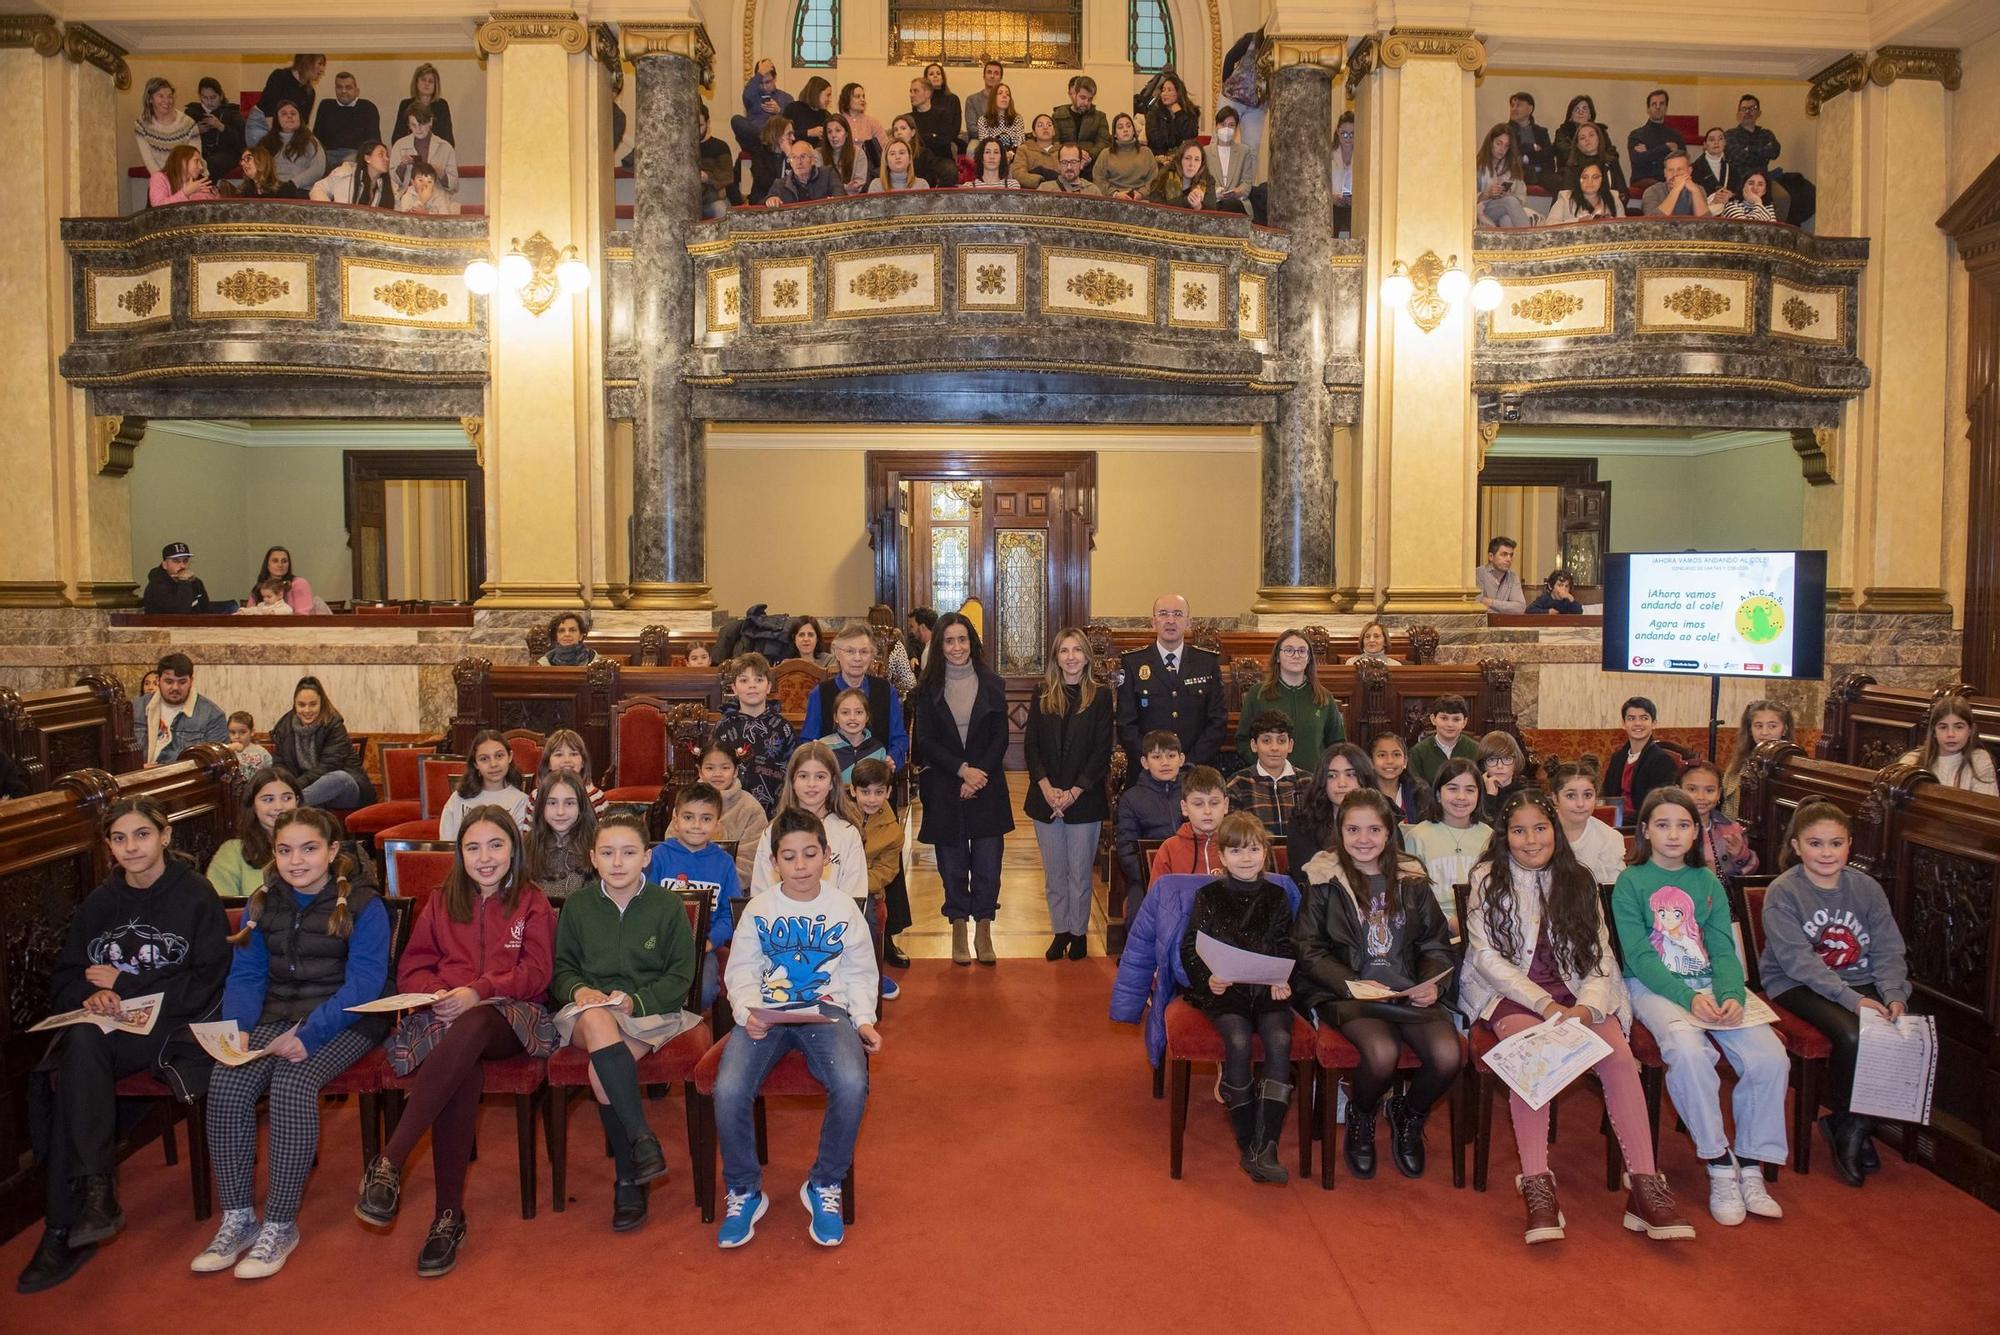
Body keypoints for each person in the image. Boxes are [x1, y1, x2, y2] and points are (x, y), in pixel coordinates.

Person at [15, 797, 231, 1293]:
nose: (131, 847)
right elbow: (67, 978)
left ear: (165, 836)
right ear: (108, 845)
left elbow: (209, 983)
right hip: (109, 1029)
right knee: (82, 1042)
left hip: (174, 1028)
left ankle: (65, 1225)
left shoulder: (196, 895)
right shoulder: (99, 902)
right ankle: (94, 1194)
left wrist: (126, 984)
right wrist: (94, 995)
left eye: (142, 834)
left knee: (75, 1070)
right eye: (119, 838)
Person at [1464, 790, 1695, 1244]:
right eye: (1519, 831)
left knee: (1619, 1057)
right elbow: (1488, 958)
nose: (1532, 840)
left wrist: (1587, 1006)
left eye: (1540, 828)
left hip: (1575, 993)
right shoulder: (1488, 878)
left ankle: (1644, 1185)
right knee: (1535, 1056)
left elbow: (1599, 953)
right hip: (1513, 996)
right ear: (1504, 836)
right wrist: (1545, 1006)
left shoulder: (1579, 878)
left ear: (1555, 830)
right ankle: (1537, 1184)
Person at [356, 809, 556, 1276]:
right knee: (462, 1064)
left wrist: (477, 991)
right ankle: (448, 1218)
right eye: (473, 847)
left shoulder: (532, 901)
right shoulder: (442, 901)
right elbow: (412, 967)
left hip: (510, 1016)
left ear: (514, 849)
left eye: (496, 845)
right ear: (459, 853)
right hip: (446, 1016)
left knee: (475, 1022)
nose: (485, 857)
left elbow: (536, 973)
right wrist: (439, 993)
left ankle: (390, 1160)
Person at [196, 807, 392, 1278]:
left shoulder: (364, 904)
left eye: (308, 849)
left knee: (291, 1084)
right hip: (277, 1015)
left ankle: (280, 1224)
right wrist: (238, 1028)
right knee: (226, 1083)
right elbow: (246, 974)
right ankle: (238, 1217)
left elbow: (364, 985)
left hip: (347, 1020)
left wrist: (310, 1034)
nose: (296, 861)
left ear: (332, 850)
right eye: (285, 850)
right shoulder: (264, 901)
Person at [1613, 787, 1789, 1223]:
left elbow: (1723, 947)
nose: (1673, 834)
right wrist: (1689, 998)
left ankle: (1750, 1161)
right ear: (1645, 831)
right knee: (1689, 1052)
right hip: (1655, 987)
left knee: (1770, 1057)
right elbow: (1640, 957)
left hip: (1711, 984)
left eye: (1683, 825)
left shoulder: (1707, 880)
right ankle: (1718, 1162)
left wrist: (1731, 995)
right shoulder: (1630, 882)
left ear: (1696, 832)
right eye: (1663, 825)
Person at [715, 809, 880, 1249]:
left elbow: (861, 972)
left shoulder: (843, 908)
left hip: (827, 1011)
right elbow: (741, 971)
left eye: (810, 854)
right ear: (774, 862)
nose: (801, 865)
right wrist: (745, 1013)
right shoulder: (760, 908)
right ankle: (744, 1189)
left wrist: (864, 1020)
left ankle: (825, 1182)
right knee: (728, 1088)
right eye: (789, 857)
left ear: (826, 855)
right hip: (765, 1012)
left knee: (852, 1083)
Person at [1297, 789, 1461, 1179]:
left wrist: (1432, 985)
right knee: (1382, 1052)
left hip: (1406, 992)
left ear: (1389, 832)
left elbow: (1436, 943)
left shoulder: (1411, 878)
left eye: (1373, 829)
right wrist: (1350, 983)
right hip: (1348, 993)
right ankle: (1362, 1115)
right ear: (1340, 832)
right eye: (1353, 829)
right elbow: (1308, 948)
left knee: (1448, 1056)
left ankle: (1409, 1115)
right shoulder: (1323, 878)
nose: (1363, 839)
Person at [552, 813, 699, 1231]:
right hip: (588, 1013)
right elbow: (561, 971)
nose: (618, 862)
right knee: (598, 1020)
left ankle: (629, 1175)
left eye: (629, 852)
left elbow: (680, 975)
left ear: (646, 857)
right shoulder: (578, 905)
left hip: (649, 1012)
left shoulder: (667, 905)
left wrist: (636, 1002)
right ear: (593, 858)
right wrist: (580, 990)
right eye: (608, 853)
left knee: (602, 1074)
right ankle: (641, 1142)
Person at [1759, 801, 1912, 1187]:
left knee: (1905, 1028)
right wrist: (1853, 1000)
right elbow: (1799, 963)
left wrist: (1894, 994)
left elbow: (1888, 949)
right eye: (1815, 844)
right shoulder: (1784, 891)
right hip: (1795, 983)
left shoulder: (1866, 888)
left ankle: (1848, 1123)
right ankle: (1854, 1127)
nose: (1826, 853)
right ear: (1797, 846)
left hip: (1859, 978)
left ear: (1849, 845)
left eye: (1836, 843)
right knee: (1854, 1034)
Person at [1178, 811, 1298, 1182]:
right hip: (1226, 989)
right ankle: (1249, 1142)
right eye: (1236, 851)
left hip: (1267, 987)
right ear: (1223, 856)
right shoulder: (1209, 895)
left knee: (1279, 1039)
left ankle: (1267, 1145)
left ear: (1266, 853)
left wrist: (1284, 978)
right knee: (1238, 1039)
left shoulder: (1277, 895)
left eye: (1254, 849)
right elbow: (1191, 947)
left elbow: (1286, 944)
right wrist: (1208, 979)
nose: (1246, 858)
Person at [914, 613, 1015, 966]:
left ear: (972, 642)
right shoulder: (927, 689)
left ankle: (984, 929)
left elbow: (1001, 737)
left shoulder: (993, 683)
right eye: (949, 641)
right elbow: (925, 741)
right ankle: (958, 926)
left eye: (962, 639)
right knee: (953, 865)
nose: (957, 647)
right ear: (939, 646)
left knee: (988, 864)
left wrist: (978, 775)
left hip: (987, 786)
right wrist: (961, 771)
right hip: (946, 786)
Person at [1025, 628, 1111, 962]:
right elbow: (1031, 745)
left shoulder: (1100, 696)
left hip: (1083, 798)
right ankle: (1060, 931)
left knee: (1080, 874)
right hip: (1046, 797)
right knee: (1054, 875)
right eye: (1064, 651)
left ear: (1087, 657)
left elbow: (1101, 749)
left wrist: (1074, 792)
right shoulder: (1042, 692)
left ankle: (1078, 934)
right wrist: (1047, 788)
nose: (1071, 657)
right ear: (1056, 658)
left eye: (1077, 650)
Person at [1116, 594, 1226, 766]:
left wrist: (1188, 762)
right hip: (1147, 769)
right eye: (1163, 614)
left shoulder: (1206, 662)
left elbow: (1217, 721)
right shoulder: (1133, 662)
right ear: (1153, 622)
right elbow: (1126, 723)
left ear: (1188, 622)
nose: (1170, 620)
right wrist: (1154, 761)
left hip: (1195, 768)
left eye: (1178, 614)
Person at [748, 742, 866, 898]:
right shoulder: (772, 832)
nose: (811, 784)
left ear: (832, 782)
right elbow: (761, 894)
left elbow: (855, 896)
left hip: (834, 913)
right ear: (792, 781)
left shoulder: (848, 833)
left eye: (820, 777)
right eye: (803, 776)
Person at [802, 628, 907, 772]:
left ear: (872, 655)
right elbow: (808, 741)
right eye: (850, 651)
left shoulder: (886, 690)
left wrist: (892, 758)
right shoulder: (820, 693)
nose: (857, 658)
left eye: (864, 652)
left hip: (877, 776)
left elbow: (899, 737)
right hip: (832, 777)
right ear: (837, 653)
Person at [1400, 758, 1489, 923]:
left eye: (1470, 790)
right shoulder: (1417, 837)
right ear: (1438, 794)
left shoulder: (1490, 837)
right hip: (1431, 927)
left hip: (1482, 925)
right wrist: (1447, 924)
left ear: (1479, 795)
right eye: (1452, 789)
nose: (1461, 797)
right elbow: (1410, 898)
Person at [268, 676, 374, 809]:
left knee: (339, 778)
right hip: (309, 791)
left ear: (321, 703)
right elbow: (280, 764)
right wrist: (285, 784)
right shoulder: (284, 728)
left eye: (313, 704)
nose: (307, 710)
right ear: (295, 705)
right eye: (301, 705)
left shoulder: (334, 726)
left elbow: (328, 767)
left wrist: (294, 787)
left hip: (344, 791)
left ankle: (286, 805)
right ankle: (293, 803)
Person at [1116, 730, 1186, 923]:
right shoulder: (1131, 799)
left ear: (1181, 759)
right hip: (1146, 877)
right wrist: (1153, 876)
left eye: (1171, 756)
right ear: (1145, 762)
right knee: (1139, 916)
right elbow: (1126, 849)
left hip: (1189, 873)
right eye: (1156, 757)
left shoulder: (1193, 792)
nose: (1165, 763)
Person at [713, 653, 796, 814]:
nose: (752, 686)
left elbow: (793, 771)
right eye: (744, 680)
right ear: (734, 688)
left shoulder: (783, 727)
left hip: (776, 811)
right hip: (731, 810)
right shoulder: (723, 727)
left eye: (759, 680)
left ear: (769, 686)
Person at [852, 758, 911, 979]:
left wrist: (856, 883)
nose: (872, 799)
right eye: (865, 792)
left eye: (878, 792)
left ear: (888, 792)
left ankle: (870, 975)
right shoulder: (838, 814)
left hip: (866, 890)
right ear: (853, 791)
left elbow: (886, 870)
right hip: (830, 883)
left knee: (869, 916)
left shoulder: (893, 832)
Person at [206, 767, 303, 897]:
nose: (278, 807)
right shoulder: (232, 852)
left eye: (286, 798)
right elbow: (222, 904)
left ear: (297, 801)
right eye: (268, 799)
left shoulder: (316, 845)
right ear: (253, 805)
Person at [137, 652, 228, 767]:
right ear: (158, 680)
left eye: (182, 682)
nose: (175, 687)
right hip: (137, 776)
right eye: (169, 682)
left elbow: (218, 767)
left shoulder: (213, 716)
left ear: (191, 681)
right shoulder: (135, 708)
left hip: (185, 778)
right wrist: (136, 768)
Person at [438, 729, 531, 839]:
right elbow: (447, 842)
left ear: (509, 757)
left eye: (499, 756)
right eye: (484, 759)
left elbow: (520, 844)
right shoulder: (458, 799)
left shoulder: (522, 801)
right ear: (475, 763)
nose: (493, 764)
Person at [699, 742, 768, 888]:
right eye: (710, 768)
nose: (717, 774)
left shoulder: (750, 808)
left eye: (725, 768)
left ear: (736, 771)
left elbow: (751, 862)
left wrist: (718, 885)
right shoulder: (686, 804)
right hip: (687, 884)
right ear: (700, 772)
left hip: (733, 889)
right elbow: (673, 847)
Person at [1899, 695, 1999, 794]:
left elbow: (1984, 802)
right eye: (1943, 727)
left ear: (1970, 730)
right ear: (1934, 732)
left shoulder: (1979, 760)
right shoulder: (1911, 760)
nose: (1950, 734)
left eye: (1959, 727)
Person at [1547, 761, 1626, 886]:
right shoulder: (1539, 833)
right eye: (1571, 796)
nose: (1580, 804)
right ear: (1555, 798)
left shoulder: (1609, 838)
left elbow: (1614, 888)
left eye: (1587, 795)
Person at [1227, 711, 1302, 839]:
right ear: (1254, 745)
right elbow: (1231, 834)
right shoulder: (1238, 784)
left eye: (1281, 741)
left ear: (1290, 745)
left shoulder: (1308, 782)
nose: (1274, 748)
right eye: (1266, 741)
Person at [1604, 696, 1679, 820]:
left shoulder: (1662, 760)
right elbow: (1607, 795)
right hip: (1615, 822)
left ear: (1654, 723)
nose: (1637, 723)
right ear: (1623, 724)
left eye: (1644, 718)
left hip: (1643, 822)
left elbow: (1658, 804)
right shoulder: (1617, 758)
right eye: (1631, 718)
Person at [1151, 764, 1230, 881]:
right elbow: (1158, 892)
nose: (1207, 811)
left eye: (1214, 803)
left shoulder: (1238, 844)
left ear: (1226, 805)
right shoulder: (1169, 849)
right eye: (1198, 804)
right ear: (1184, 808)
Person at [1680, 762, 1759, 880]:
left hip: (1725, 891)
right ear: (1678, 791)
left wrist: (1740, 854)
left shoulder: (1731, 829)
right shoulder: (1673, 831)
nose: (1701, 797)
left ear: (1718, 794)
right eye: (1692, 789)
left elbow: (1751, 870)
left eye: (1709, 790)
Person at [1722, 698, 1794, 815]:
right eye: (1758, 726)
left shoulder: (1792, 765)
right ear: (1750, 729)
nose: (1764, 732)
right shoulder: (1739, 762)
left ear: (1784, 729)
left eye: (1772, 726)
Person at [1724, 94, 1787, 221]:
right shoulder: (1730, 135)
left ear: (1759, 113)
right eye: (1744, 109)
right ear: (1738, 113)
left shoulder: (1766, 134)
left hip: (1763, 179)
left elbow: (1774, 152)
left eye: (1752, 108)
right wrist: (1762, 152)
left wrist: (1749, 149)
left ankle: (1775, 229)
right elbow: (1738, 156)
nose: (1748, 112)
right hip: (1739, 179)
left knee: (1783, 197)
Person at [1217, 25, 1269, 166]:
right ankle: (1216, 177)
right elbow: (1230, 57)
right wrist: (1226, 83)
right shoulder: (1250, 41)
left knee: (1252, 147)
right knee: (1223, 137)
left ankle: (1247, 179)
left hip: (1256, 106)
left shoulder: (1278, 49)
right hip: (1232, 98)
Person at [247, 55, 324, 147]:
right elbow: (269, 111)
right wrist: (283, 141)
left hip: (284, 131)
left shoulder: (310, 92)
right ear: (307, 62)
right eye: (320, 64)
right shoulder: (279, 76)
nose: (322, 69)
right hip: (262, 123)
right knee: (263, 155)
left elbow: (302, 123)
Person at [136, 76, 202, 178]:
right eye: (161, 96)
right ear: (150, 99)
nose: (167, 101)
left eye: (170, 96)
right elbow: (149, 161)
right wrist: (163, 181)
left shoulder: (188, 124)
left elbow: (194, 160)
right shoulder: (141, 125)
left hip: (190, 177)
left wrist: (179, 182)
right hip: (160, 178)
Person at [1408, 695, 1480, 786]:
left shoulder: (1477, 750)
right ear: (1433, 719)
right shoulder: (1418, 752)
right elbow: (1415, 788)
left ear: (1464, 722)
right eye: (1444, 718)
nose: (1450, 724)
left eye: (1456, 719)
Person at [312, 71, 381, 166]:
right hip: (328, 155)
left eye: (348, 87)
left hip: (355, 155)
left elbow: (374, 141)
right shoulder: (325, 106)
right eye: (339, 87)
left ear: (357, 91)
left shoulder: (368, 108)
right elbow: (317, 138)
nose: (343, 91)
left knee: (348, 163)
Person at [391, 100, 458, 197]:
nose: (418, 129)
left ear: (430, 122)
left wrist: (442, 174)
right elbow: (392, 182)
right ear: (408, 125)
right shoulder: (399, 146)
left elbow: (455, 186)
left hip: (437, 200)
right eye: (413, 125)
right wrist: (402, 166)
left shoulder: (446, 148)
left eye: (422, 124)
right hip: (407, 200)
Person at [257, 101, 326, 192]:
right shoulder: (265, 142)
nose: (289, 116)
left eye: (293, 113)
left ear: (299, 118)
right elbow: (257, 167)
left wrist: (293, 183)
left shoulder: (311, 141)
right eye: (284, 114)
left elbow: (318, 169)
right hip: (272, 190)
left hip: (301, 190)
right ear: (277, 119)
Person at [188, 77, 246, 186]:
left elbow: (241, 142)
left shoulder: (232, 113)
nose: (209, 102)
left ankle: (204, 191)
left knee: (210, 163)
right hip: (200, 152)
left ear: (221, 96)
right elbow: (181, 137)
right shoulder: (192, 112)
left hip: (227, 153)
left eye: (213, 97)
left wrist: (221, 127)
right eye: (205, 98)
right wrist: (196, 130)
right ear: (200, 97)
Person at [1626, 88, 1685, 187]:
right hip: (1644, 180)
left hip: (1670, 178)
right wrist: (1666, 148)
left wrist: (1648, 152)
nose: (1658, 107)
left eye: (1661, 104)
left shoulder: (1675, 135)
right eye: (1654, 104)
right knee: (1660, 187)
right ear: (1648, 109)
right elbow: (1637, 160)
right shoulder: (1636, 135)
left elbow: (1682, 160)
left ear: (1666, 107)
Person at [1476, 124, 1532, 228]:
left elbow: (1521, 196)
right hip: (1482, 210)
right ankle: (1531, 236)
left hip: (1505, 209)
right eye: (1499, 143)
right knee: (1510, 201)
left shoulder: (1512, 167)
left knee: (1506, 219)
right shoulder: (1477, 165)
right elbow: (1466, 198)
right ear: (1490, 142)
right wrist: (1487, 194)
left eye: (1506, 146)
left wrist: (1507, 194)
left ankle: (1517, 239)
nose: (1502, 149)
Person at [144, 540, 221, 615]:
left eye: (185, 561)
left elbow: (207, 612)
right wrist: (184, 581)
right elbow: (180, 614)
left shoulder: (195, 582)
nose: (182, 566)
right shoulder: (156, 586)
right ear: (165, 565)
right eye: (176, 561)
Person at [907, 77, 959, 188]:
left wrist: (920, 138)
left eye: (915, 91)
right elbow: (910, 143)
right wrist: (932, 136)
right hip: (917, 160)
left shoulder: (943, 114)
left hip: (940, 158)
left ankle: (941, 199)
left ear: (927, 93)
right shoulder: (909, 119)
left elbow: (945, 140)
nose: (911, 95)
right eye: (910, 91)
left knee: (950, 170)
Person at [731, 58, 790, 154]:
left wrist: (779, 111)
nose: (764, 86)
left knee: (781, 130)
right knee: (736, 119)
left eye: (768, 82)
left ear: (775, 78)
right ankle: (764, 139)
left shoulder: (786, 97)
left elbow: (792, 122)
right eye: (761, 83)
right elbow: (746, 96)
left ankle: (766, 139)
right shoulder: (753, 95)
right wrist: (760, 73)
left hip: (774, 137)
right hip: (754, 137)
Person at [1370, 733, 1431, 825]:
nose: (1390, 761)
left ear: (1405, 761)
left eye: (1396, 754)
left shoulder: (1419, 791)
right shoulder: (1363, 795)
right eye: (1382, 755)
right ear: (1371, 761)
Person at [311, 140, 395, 206]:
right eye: (381, 155)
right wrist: (331, 211)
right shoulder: (346, 173)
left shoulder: (388, 186)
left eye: (387, 155)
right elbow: (318, 188)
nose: (387, 159)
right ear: (367, 158)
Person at [1560, 121, 1627, 200]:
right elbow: (1569, 196)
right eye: (1582, 138)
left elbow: (1623, 193)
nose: (1587, 139)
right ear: (1577, 145)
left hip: (1611, 206)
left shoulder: (1612, 162)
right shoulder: (1572, 166)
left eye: (1591, 135)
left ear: (1599, 138)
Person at [1051, 75, 1110, 165]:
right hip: (1065, 163)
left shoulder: (1100, 117)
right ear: (1074, 94)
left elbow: (1103, 143)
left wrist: (1089, 156)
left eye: (1090, 99)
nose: (1086, 103)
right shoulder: (1058, 116)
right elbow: (1054, 143)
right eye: (1082, 97)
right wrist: (1075, 154)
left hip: (1092, 163)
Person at [392, 64, 454, 147]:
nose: (426, 84)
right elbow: (397, 137)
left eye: (430, 81)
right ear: (416, 82)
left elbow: (448, 138)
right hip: (410, 151)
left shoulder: (441, 106)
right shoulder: (405, 105)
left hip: (436, 151)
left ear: (435, 85)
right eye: (423, 80)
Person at [1475, 730, 1529, 824]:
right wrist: (1490, 796)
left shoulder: (1525, 794)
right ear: (1483, 765)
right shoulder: (1474, 792)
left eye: (1507, 759)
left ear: (1516, 761)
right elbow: (1481, 829)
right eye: (1492, 760)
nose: (1500, 766)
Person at [1544, 161, 1626, 223]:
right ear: (1577, 179)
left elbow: (1625, 226)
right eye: (1584, 177)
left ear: (1603, 179)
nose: (1590, 182)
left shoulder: (1614, 197)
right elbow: (1550, 224)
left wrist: (1611, 222)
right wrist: (1578, 221)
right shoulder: (1565, 198)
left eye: (1595, 177)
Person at [1091, 115, 1152, 198]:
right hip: (1113, 200)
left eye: (1128, 126)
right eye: (1120, 127)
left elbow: (1153, 179)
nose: (1125, 130)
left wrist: (1141, 193)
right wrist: (1115, 194)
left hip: (1141, 200)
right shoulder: (1106, 154)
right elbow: (1098, 179)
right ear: (1115, 134)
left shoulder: (1146, 152)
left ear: (1133, 131)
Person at [246, 545, 319, 614]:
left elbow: (303, 615)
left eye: (284, 561)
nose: (280, 565)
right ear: (267, 565)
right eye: (275, 561)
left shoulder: (299, 583)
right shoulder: (260, 587)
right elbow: (248, 615)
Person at [1507, 91, 1556, 191]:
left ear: (1530, 109)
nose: (1514, 109)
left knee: (1559, 181)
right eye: (1512, 105)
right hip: (1516, 174)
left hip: (1542, 175)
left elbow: (1548, 158)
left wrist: (1526, 158)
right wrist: (1532, 149)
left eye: (1518, 105)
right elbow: (1511, 155)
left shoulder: (1541, 132)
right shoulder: (1505, 131)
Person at [1641, 150, 1710, 218]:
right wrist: (1676, 190)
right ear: (1665, 172)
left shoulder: (1698, 189)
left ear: (1689, 171)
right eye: (1670, 170)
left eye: (1679, 169)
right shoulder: (1652, 191)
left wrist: (1695, 191)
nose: (1675, 174)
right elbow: (1652, 220)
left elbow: (1706, 221)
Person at [1152, 140, 1218, 211]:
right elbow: (1155, 203)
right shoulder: (1166, 174)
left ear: (1202, 163)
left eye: (1197, 159)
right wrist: (1187, 200)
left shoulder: (1208, 180)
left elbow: (1212, 211)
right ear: (1180, 159)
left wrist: (1198, 206)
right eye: (1187, 158)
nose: (1192, 164)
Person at [838, 83, 887, 173]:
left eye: (863, 96)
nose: (862, 100)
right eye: (857, 96)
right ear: (847, 99)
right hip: (843, 166)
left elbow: (884, 147)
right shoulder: (838, 121)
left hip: (868, 168)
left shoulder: (872, 122)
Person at [698, 103, 737, 217]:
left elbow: (727, 176)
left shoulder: (720, 146)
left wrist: (707, 177)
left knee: (721, 210)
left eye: (700, 125)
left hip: (712, 201)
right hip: (689, 201)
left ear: (708, 123)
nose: (697, 130)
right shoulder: (684, 148)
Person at [148, 145, 218, 206]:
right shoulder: (159, 177)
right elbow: (158, 207)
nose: (201, 167)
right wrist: (185, 193)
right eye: (196, 161)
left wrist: (212, 197)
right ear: (182, 161)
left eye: (200, 162)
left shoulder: (199, 181)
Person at [749, 114, 795, 202]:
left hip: (788, 199)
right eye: (789, 134)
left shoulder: (793, 154)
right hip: (764, 199)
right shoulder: (759, 153)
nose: (793, 138)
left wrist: (790, 155)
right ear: (777, 135)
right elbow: (763, 181)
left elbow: (799, 178)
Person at [1476, 535, 1527, 613]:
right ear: (1491, 556)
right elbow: (1478, 605)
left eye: (1511, 555)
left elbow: (1520, 607)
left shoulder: (1513, 576)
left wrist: (1491, 602)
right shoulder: (1479, 574)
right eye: (1504, 554)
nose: (1509, 559)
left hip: (1504, 621)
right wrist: (1506, 609)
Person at [229, 145, 301, 199]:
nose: (242, 163)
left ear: (261, 160)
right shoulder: (243, 192)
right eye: (242, 161)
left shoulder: (285, 190)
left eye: (248, 158)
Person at [822, 114, 869, 196]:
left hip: (852, 199)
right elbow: (820, 185)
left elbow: (858, 184)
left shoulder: (858, 153)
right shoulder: (818, 154)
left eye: (838, 130)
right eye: (829, 132)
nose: (833, 135)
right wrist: (846, 187)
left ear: (846, 133)